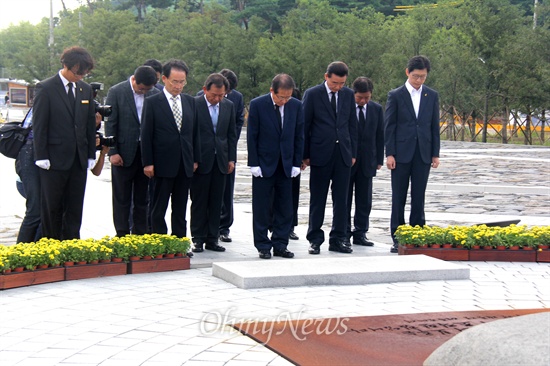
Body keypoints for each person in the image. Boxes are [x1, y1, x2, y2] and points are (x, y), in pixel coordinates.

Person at [32, 46, 96, 240]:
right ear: (66, 66)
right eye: (78, 72)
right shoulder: (46, 87)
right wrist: (41, 155)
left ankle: (72, 243)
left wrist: (91, 153)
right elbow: (40, 125)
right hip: (53, 158)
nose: (81, 76)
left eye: (85, 72)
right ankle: (52, 244)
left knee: (75, 205)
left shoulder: (85, 89)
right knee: (52, 206)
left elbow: (88, 125)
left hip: (78, 158)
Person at [385, 55, 440, 253]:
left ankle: (417, 234)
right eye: (416, 76)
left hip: (423, 153)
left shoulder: (431, 95)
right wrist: (389, 153)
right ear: (407, 72)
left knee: (419, 195)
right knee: (398, 196)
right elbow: (389, 126)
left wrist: (435, 153)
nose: (419, 80)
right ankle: (398, 236)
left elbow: (434, 125)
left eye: (423, 77)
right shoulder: (396, 95)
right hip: (401, 153)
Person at [302, 61, 358, 255]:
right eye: (335, 83)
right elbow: (305, 125)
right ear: (326, 76)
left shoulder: (348, 95)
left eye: (342, 83)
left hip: (342, 153)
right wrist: (305, 154)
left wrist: (353, 153)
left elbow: (352, 125)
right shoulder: (313, 94)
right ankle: (315, 239)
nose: (338, 87)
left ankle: (339, 238)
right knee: (318, 198)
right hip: (320, 154)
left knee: (342, 199)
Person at [141, 59, 200, 238]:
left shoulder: (190, 102)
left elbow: (195, 133)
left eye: (182, 82)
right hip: (162, 163)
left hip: (184, 162)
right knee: (159, 206)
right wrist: (148, 162)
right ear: (164, 79)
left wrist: (195, 158)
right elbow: (146, 134)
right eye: (175, 81)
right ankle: (159, 240)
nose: (179, 86)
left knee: (181, 206)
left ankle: (179, 241)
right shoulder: (152, 102)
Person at [248, 74, 304, 259]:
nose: (285, 101)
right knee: (262, 206)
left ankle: (281, 243)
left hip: (286, 164)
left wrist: (296, 162)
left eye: (288, 97)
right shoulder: (258, 104)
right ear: (272, 91)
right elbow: (252, 135)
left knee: (285, 207)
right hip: (264, 164)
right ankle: (263, 244)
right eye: (281, 97)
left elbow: (299, 135)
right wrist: (254, 163)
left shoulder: (295, 106)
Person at [105, 65, 159, 236]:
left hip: (145, 154)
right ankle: (121, 233)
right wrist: (113, 151)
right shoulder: (117, 92)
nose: (143, 92)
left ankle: (140, 233)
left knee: (143, 198)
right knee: (121, 196)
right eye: (141, 89)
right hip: (123, 152)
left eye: (147, 90)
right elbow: (110, 123)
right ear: (134, 80)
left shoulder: (155, 93)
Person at [190, 73, 237, 253]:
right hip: (201, 160)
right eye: (214, 95)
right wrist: (193, 158)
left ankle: (212, 238)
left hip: (221, 160)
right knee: (199, 200)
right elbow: (191, 134)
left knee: (217, 201)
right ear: (205, 90)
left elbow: (231, 135)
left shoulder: (228, 106)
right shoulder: (195, 104)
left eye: (221, 95)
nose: (217, 99)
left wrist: (231, 158)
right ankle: (198, 238)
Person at [347, 77, 384, 247]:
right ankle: (344, 231)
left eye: (366, 98)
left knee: (364, 200)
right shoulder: (345, 106)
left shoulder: (376, 109)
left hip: (367, 160)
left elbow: (379, 135)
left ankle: (360, 232)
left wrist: (378, 159)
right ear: (353, 93)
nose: (363, 101)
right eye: (360, 97)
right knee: (344, 198)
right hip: (347, 160)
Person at [217, 69, 245, 244]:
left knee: (227, 190)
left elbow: (238, 121)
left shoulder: (237, 98)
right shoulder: (201, 96)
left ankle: (224, 227)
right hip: (208, 152)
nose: (226, 95)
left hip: (227, 149)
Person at [15, 108, 41, 243]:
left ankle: (37, 253)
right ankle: (20, 256)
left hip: (41, 160)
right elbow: (32, 132)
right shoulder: (45, 95)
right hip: (30, 157)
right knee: (36, 211)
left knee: (47, 212)